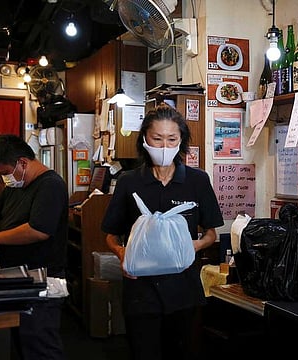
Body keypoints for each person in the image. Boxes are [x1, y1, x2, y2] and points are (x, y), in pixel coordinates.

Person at [101, 103, 224, 360]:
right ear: (144, 138)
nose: (164, 146)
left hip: (184, 291)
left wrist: (195, 246)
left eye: (172, 139)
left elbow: (211, 233)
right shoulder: (129, 182)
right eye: (157, 139)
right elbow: (111, 234)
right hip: (140, 294)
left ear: (182, 141)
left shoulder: (197, 181)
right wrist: (122, 253)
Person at [0, 134, 68, 360]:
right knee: (22, 342)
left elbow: (38, 230)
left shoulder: (51, 185)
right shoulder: (16, 185)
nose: (5, 179)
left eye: (5, 173)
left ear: (22, 163)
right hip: (18, 275)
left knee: (40, 345)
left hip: (42, 279)